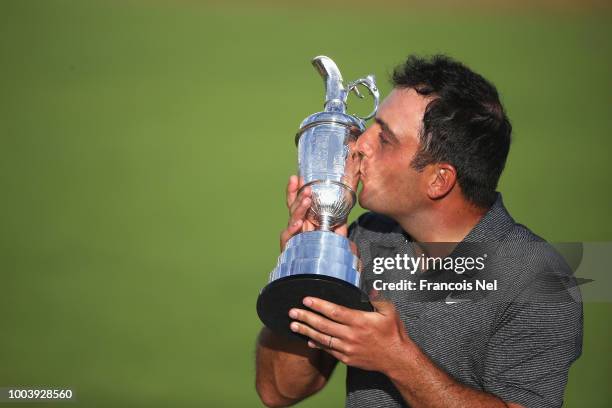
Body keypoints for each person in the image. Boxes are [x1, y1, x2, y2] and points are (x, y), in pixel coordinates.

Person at [255, 55, 583, 408]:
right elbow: (278, 390)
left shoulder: (538, 276)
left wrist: (396, 359)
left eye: (385, 139)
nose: (359, 145)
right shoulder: (369, 237)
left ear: (439, 180)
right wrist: (306, 266)